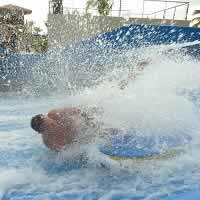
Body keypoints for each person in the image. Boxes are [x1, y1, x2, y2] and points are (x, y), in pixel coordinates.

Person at [31, 107, 99, 151]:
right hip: (81, 139)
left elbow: (79, 111)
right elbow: (66, 153)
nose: (53, 126)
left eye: (52, 123)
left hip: (86, 125)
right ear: (42, 132)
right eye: (48, 127)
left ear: (48, 118)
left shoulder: (55, 114)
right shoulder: (49, 142)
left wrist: (92, 122)